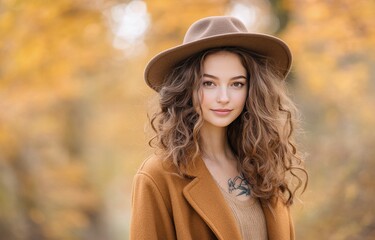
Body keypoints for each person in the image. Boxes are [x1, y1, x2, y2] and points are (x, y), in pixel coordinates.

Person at [130, 16, 308, 240]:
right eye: (209, 83)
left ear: (252, 90)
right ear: (188, 88)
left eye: (237, 84)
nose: (224, 97)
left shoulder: (265, 165)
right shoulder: (157, 176)